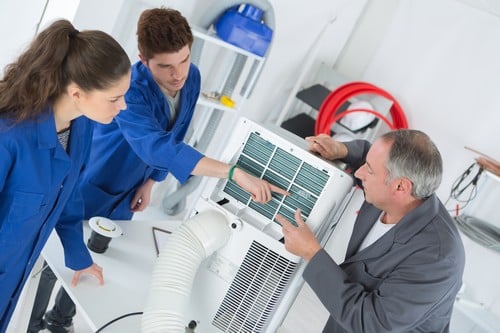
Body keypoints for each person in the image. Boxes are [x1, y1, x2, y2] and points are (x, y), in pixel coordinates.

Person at [31, 7, 286, 332]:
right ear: (144, 58)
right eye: (165, 66)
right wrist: (231, 172)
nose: (177, 73)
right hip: (95, 177)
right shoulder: (131, 89)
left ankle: (59, 321)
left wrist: (152, 179)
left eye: (183, 60)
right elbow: (155, 145)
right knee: (64, 250)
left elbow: (177, 133)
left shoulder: (191, 77)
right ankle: (34, 322)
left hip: (131, 184)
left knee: (100, 252)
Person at [0, 19, 131, 333]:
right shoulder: (9, 137)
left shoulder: (81, 127)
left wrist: (77, 253)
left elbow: (68, 194)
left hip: (13, 277)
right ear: (77, 93)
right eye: (114, 98)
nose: (123, 106)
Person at [277, 130, 465, 333]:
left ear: (400, 187)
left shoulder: (437, 258)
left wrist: (311, 254)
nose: (359, 173)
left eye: (369, 169)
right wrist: (342, 149)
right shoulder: (399, 194)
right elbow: (372, 157)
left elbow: (372, 323)